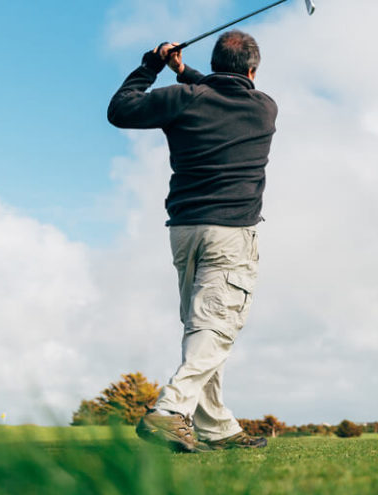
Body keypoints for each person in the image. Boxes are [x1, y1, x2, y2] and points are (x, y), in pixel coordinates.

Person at [107, 30, 277, 452]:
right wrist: (185, 71)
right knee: (214, 327)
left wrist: (154, 65)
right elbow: (222, 91)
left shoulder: (185, 97)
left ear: (216, 66)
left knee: (201, 326)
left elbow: (120, 109)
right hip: (231, 233)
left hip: (184, 231)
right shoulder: (264, 107)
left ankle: (216, 425)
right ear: (253, 71)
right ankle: (169, 412)